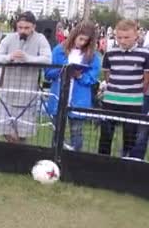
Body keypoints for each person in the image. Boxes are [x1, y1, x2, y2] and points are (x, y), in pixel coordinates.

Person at [0, 11, 52, 144]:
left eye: (27, 28)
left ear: (34, 27)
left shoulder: (40, 39)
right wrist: (8, 57)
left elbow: (48, 59)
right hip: (7, 94)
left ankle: (17, 160)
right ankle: (18, 156)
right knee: (5, 131)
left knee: (23, 134)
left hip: (27, 95)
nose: (23, 31)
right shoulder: (9, 38)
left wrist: (28, 58)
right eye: (20, 27)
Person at [45, 21, 101, 152]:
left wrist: (80, 76)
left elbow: (93, 78)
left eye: (86, 41)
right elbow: (48, 73)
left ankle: (75, 161)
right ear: (74, 35)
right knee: (57, 134)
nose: (82, 43)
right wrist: (62, 71)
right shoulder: (59, 50)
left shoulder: (93, 57)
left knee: (77, 134)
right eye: (80, 39)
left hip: (79, 101)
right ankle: (54, 159)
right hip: (58, 99)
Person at [100, 20, 149, 158]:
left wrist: (135, 92)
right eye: (119, 37)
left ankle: (126, 163)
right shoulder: (110, 53)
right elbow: (107, 75)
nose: (122, 41)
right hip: (111, 100)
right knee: (106, 135)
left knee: (130, 137)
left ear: (136, 36)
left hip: (133, 102)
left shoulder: (145, 54)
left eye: (126, 37)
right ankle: (102, 162)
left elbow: (146, 79)